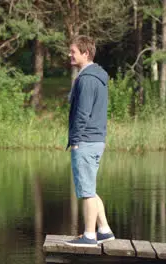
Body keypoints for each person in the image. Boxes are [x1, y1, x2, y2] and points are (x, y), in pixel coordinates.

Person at [64, 35, 114, 247]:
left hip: (85, 140)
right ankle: (104, 231)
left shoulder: (86, 79)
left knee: (85, 192)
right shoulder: (97, 76)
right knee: (90, 188)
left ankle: (89, 235)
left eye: (73, 51)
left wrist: (75, 140)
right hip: (95, 139)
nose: (70, 54)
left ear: (86, 53)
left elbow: (83, 113)